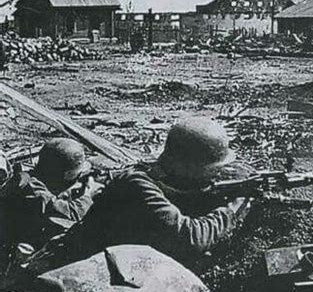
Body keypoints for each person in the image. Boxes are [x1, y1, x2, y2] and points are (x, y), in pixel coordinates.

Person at [23, 117, 253, 276]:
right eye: (211, 169)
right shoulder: (137, 186)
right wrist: (231, 209)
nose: (215, 175)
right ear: (187, 165)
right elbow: (190, 237)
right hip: (66, 273)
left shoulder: (167, 181)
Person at [0, 138, 101, 265]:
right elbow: (72, 214)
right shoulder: (34, 191)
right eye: (78, 173)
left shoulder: (32, 178)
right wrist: (88, 193)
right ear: (67, 174)